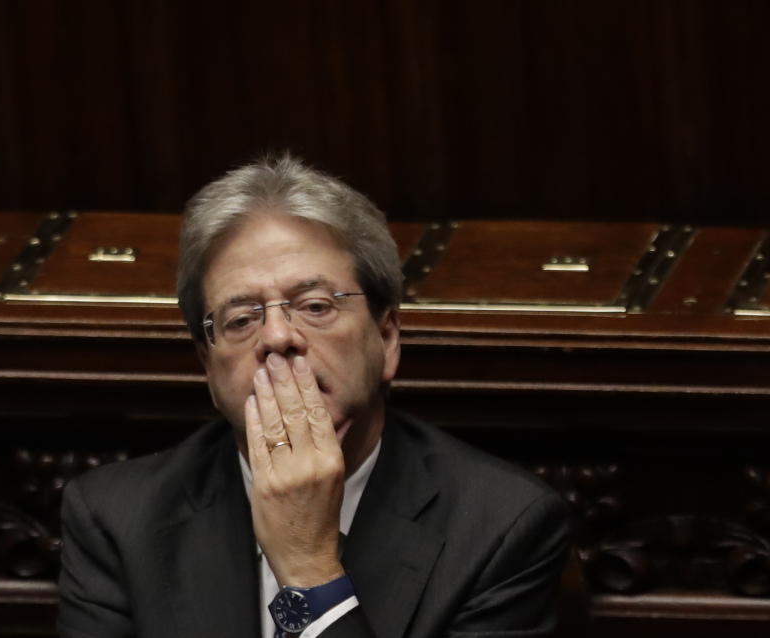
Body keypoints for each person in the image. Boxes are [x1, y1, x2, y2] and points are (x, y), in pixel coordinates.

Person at [57, 154, 571, 638]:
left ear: (386, 339)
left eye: (316, 306)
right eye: (241, 319)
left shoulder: (502, 526)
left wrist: (308, 567)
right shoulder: (116, 518)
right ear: (208, 368)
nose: (278, 337)